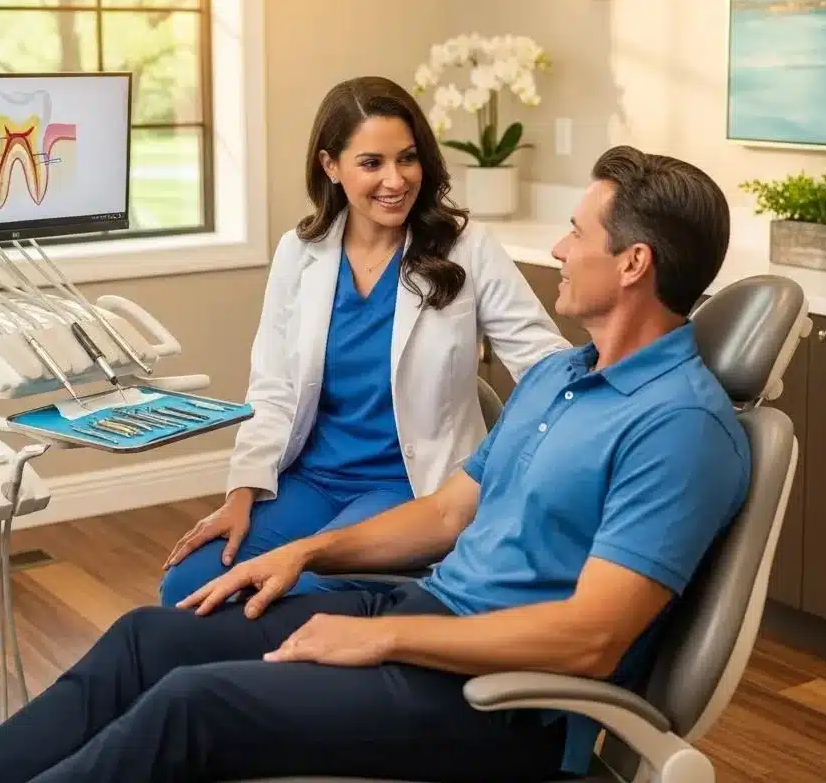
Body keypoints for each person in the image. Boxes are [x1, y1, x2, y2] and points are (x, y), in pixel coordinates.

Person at [0, 146, 751, 783]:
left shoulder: (677, 428)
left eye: (579, 233)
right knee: (148, 640)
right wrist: (302, 553)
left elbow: (590, 641)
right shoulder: (561, 379)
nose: (562, 249)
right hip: (427, 614)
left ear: (634, 263)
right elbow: (445, 514)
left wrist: (381, 640)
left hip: (500, 700)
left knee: (193, 705)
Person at [159, 75, 567, 606]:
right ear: (331, 166)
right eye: (371, 163)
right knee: (188, 585)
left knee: (296, 593)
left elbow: (543, 362)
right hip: (310, 480)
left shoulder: (467, 248)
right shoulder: (299, 252)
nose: (395, 180)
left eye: (408, 159)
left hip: (408, 488)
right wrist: (240, 496)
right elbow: (274, 390)